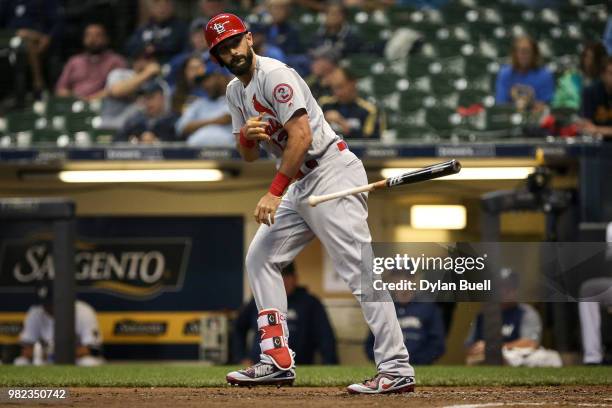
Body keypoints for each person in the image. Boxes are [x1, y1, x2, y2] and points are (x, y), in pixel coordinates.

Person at [205, 13, 415, 393]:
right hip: (298, 181)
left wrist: (274, 191)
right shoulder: (235, 91)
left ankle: (397, 367)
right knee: (260, 257)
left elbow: (300, 137)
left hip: (328, 169)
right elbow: (248, 156)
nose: (231, 51)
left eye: (234, 42)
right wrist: (249, 138)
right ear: (216, 57)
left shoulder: (276, 75)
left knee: (360, 272)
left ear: (249, 39)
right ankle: (276, 359)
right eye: (222, 48)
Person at [232, 263, 338, 366]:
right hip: (260, 365)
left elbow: (326, 338)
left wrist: (329, 364)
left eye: (286, 276)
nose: (282, 281)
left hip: (298, 366)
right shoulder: (259, 300)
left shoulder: (310, 303)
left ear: (295, 278)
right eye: (278, 277)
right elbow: (238, 328)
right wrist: (241, 358)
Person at [465, 268, 543, 365]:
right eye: (500, 286)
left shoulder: (526, 312)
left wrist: (494, 348)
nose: (505, 290)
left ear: (517, 288)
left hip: (516, 360)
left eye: (510, 286)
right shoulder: (483, 315)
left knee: (541, 357)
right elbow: (469, 346)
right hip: (486, 360)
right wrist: (477, 349)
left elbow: (531, 343)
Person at [14, 284, 103, 367]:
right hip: (46, 359)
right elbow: (25, 350)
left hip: (75, 360)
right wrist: (48, 354)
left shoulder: (83, 311)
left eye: (50, 302)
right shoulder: (35, 312)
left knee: (88, 362)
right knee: (20, 362)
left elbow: (92, 350)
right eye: (44, 303)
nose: (46, 306)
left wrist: (58, 354)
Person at [365, 281, 445, 365]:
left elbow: (437, 344)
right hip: (387, 366)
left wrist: (415, 361)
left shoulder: (429, 308)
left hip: (420, 366)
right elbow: (370, 345)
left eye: (408, 276)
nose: (403, 281)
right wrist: (386, 361)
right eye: (398, 276)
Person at [0, 0, 63, 98]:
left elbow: (57, 23)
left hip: (37, 38)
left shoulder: (45, 2)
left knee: (29, 41)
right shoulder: (7, 2)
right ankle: (37, 83)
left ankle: (37, 83)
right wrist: (15, 32)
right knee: (25, 38)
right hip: (10, 36)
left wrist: (49, 38)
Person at [55, 23, 126, 101]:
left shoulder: (116, 61)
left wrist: (91, 99)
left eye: (97, 35)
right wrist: (74, 97)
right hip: (74, 103)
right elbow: (60, 88)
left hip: (103, 104)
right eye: (88, 35)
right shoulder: (74, 61)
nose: (92, 39)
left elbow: (119, 89)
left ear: (106, 39)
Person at [100, 46, 162, 130]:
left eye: (150, 59)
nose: (146, 62)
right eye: (143, 58)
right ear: (135, 60)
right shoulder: (119, 74)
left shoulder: (158, 83)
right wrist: (147, 73)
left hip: (139, 132)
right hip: (111, 128)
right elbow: (117, 91)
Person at [320, 67, 385, 139]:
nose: (336, 92)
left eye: (340, 87)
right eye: (333, 88)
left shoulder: (369, 109)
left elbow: (372, 142)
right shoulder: (324, 105)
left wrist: (343, 124)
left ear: (353, 83)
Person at [494, 36, 555, 111]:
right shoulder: (505, 74)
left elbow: (546, 105)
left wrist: (528, 105)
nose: (523, 56)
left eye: (527, 52)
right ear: (514, 54)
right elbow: (501, 105)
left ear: (534, 54)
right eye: (520, 51)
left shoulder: (545, 76)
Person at [175, 68, 233, 146]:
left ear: (221, 78)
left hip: (229, 154)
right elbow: (181, 128)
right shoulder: (198, 104)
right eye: (203, 82)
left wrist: (196, 124)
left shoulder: (235, 100)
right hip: (194, 154)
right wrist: (217, 120)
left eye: (208, 79)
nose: (205, 85)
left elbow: (228, 118)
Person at [115, 78, 178, 144]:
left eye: (151, 97)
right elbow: (117, 140)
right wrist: (134, 142)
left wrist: (157, 142)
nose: (147, 102)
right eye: (145, 98)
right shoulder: (135, 120)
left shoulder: (173, 120)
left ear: (162, 98)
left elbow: (181, 141)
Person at [552, 42, 607, 110]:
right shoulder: (569, 78)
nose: (588, 61)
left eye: (593, 58)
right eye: (586, 56)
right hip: (568, 115)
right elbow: (556, 103)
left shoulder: (606, 84)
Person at [579, 56, 612, 138]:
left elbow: (593, 129)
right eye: (611, 73)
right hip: (597, 142)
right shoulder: (590, 92)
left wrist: (597, 129)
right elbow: (586, 125)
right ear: (602, 75)